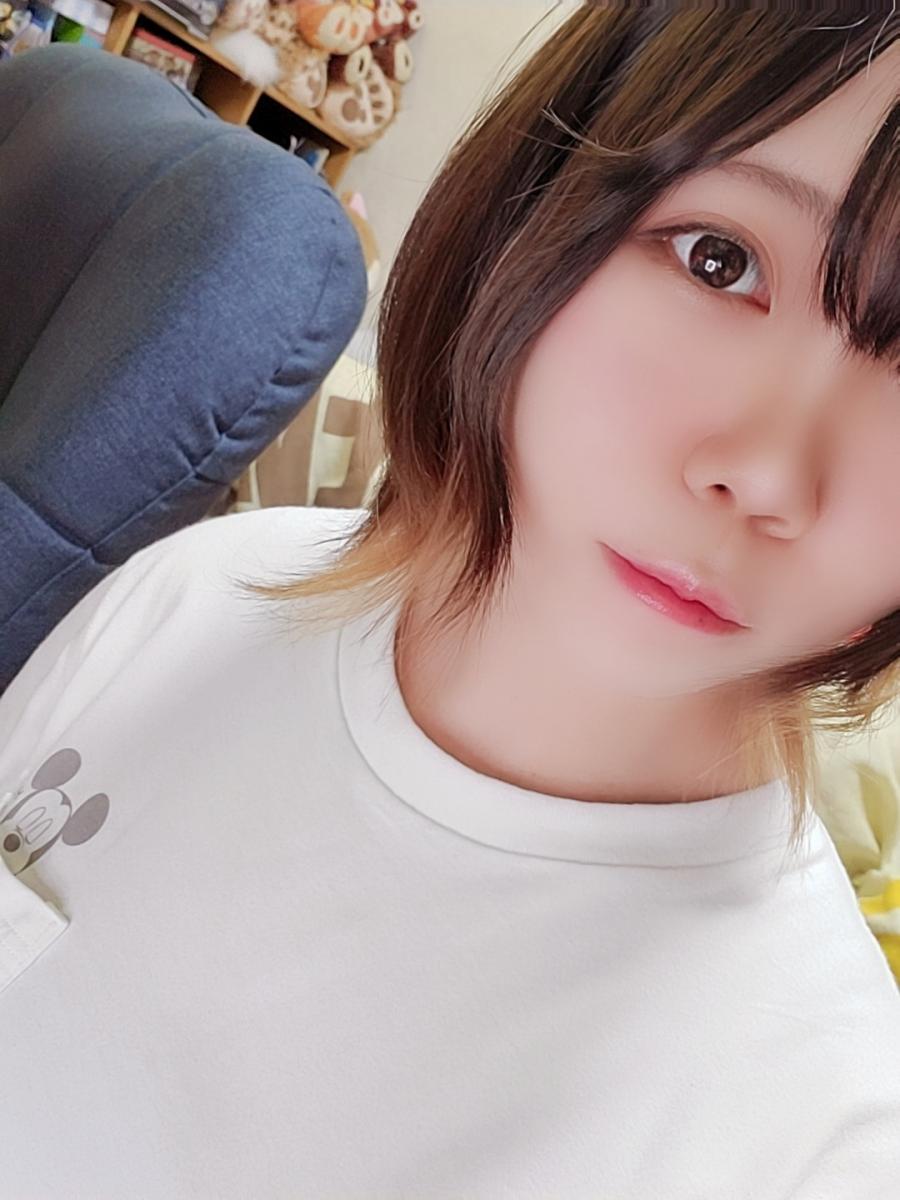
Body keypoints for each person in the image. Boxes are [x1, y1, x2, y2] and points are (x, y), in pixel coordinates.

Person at [2, 4, 899, 1197]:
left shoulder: (817, 1138)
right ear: (535, 210)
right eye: (718, 261)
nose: (770, 474)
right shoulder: (206, 590)